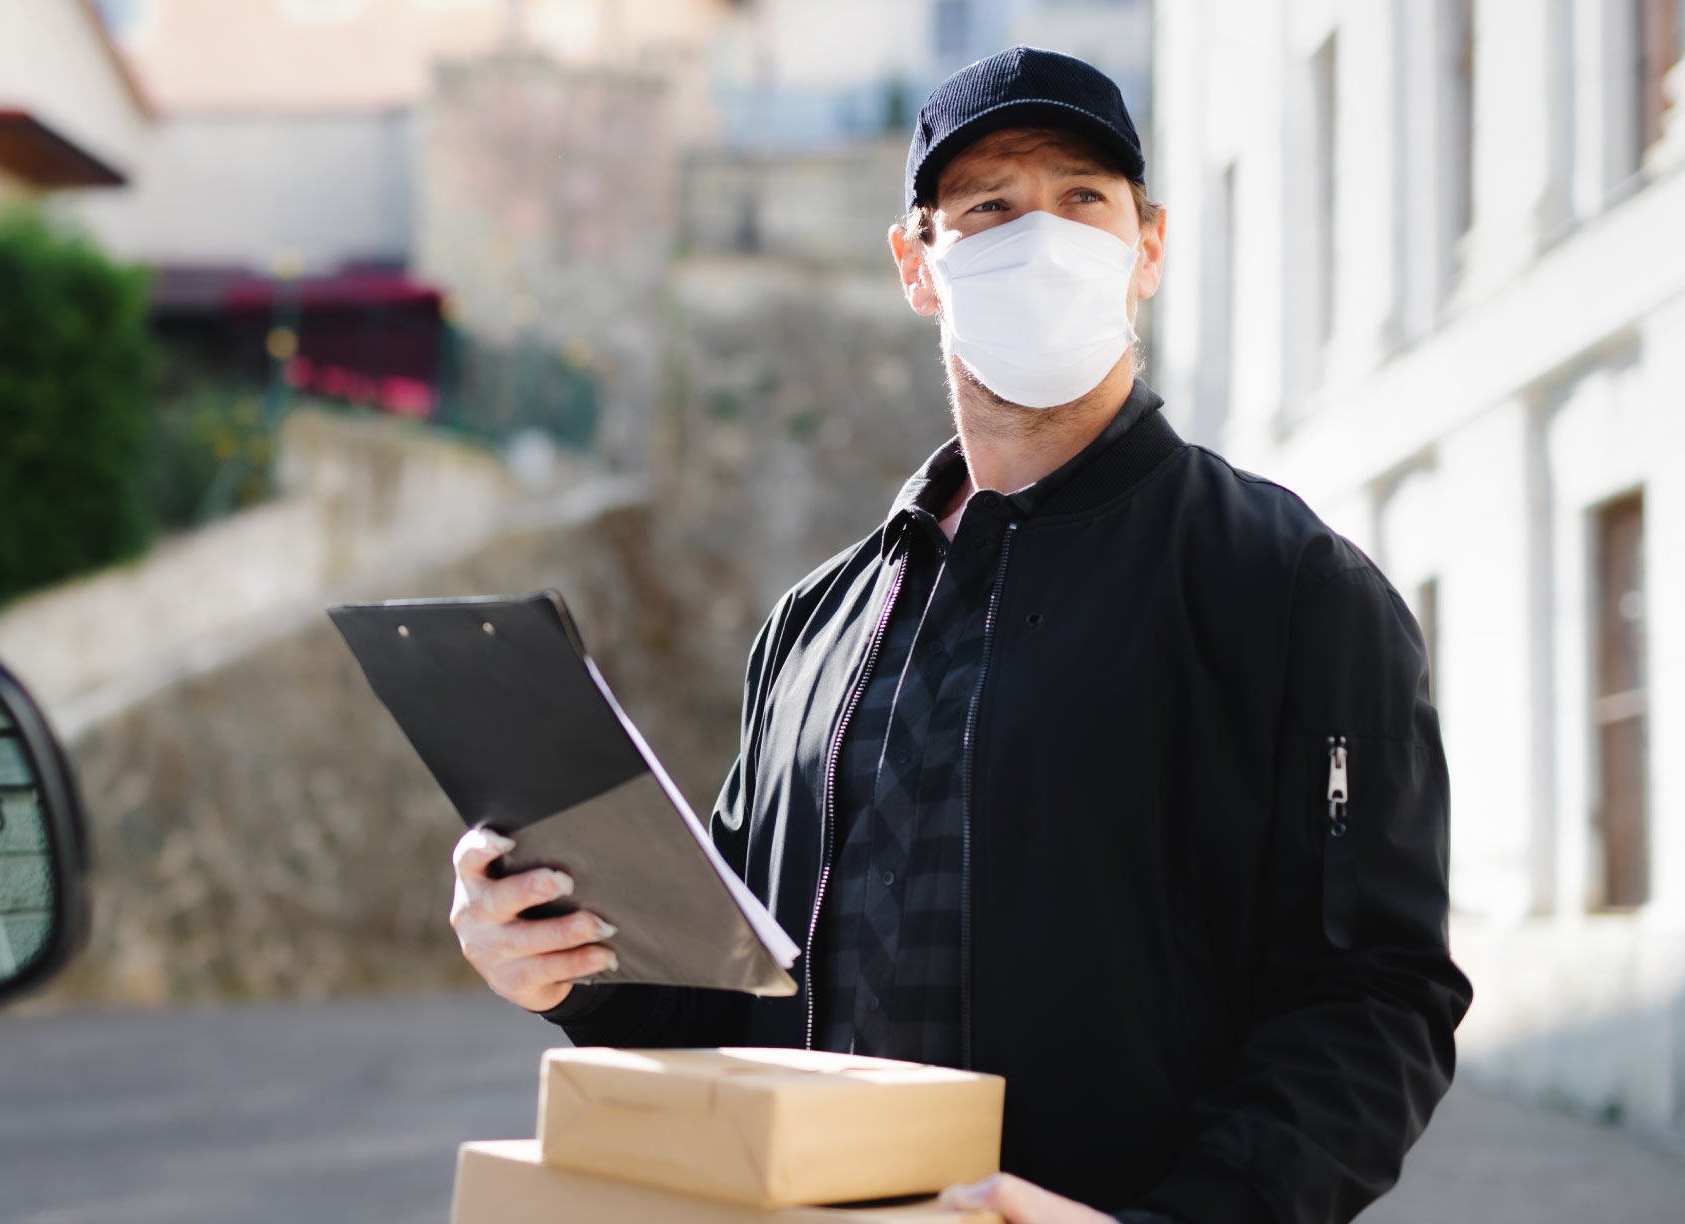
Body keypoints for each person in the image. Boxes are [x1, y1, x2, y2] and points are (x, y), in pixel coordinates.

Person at [448, 47, 1470, 1224]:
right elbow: (724, 1001)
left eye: (1081, 199)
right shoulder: (813, 628)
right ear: (915, 266)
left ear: (1146, 248)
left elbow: (1375, 1001)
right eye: (988, 208)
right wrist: (564, 962)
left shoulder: (1287, 591)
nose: (1041, 241)